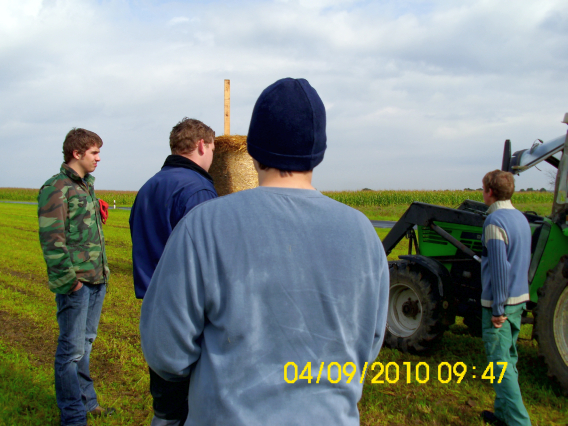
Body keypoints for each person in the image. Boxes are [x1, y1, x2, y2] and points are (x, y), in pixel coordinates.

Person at [140, 77, 390, 426]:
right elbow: (368, 345)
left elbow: (166, 351)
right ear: (319, 151)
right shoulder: (362, 233)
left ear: (252, 151)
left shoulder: (204, 225)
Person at [129, 118, 217, 426]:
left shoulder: (149, 186)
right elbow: (208, 257)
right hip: (187, 312)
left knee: (166, 406)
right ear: (202, 145)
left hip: (154, 308)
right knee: (193, 405)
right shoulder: (197, 190)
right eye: (213, 149)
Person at [38, 128, 113, 426]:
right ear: (77, 153)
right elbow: (52, 241)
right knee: (70, 351)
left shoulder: (86, 186)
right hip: (77, 285)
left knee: (86, 344)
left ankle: (88, 403)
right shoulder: (56, 188)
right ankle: (72, 415)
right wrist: (72, 283)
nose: (98, 158)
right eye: (94, 152)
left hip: (97, 280)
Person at [480, 170, 532, 426]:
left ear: (490, 192)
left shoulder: (494, 222)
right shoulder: (521, 218)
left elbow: (500, 268)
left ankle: (519, 422)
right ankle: (502, 414)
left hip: (500, 305)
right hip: (519, 300)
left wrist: (497, 309)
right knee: (509, 359)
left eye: (483, 189)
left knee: (500, 366)